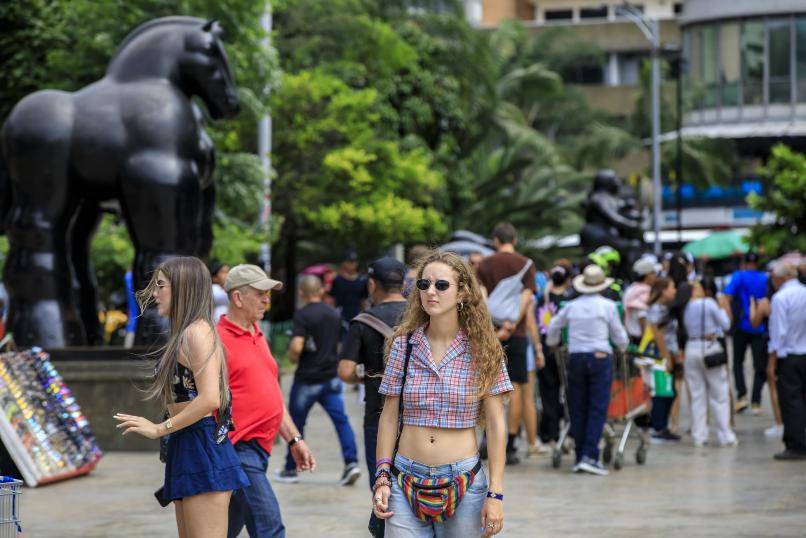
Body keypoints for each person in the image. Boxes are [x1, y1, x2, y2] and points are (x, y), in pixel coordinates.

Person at [372, 250, 512, 536]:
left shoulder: (484, 349)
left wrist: (496, 494)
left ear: (462, 292)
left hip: (464, 481)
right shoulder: (403, 345)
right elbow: (388, 416)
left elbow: (496, 424)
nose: (430, 292)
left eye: (442, 285)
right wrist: (382, 476)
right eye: (424, 284)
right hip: (403, 478)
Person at [114, 256, 249, 538]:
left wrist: (158, 429)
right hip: (186, 442)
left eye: (160, 286)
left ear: (183, 288)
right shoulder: (186, 333)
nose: (154, 293)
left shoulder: (197, 333)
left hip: (202, 444)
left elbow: (210, 399)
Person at [218, 264, 316, 537]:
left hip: (260, 450)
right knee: (270, 527)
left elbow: (271, 395)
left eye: (268, 294)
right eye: (260, 294)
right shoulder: (216, 340)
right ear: (238, 298)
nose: (267, 301)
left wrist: (294, 439)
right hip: (237, 449)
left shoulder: (257, 333)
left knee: (222, 530)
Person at [277, 275, 360, 485]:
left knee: (295, 424)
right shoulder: (333, 314)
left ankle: (291, 468)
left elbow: (297, 345)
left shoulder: (302, 315)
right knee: (341, 421)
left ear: (302, 293)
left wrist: (292, 357)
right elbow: (340, 345)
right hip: (331, 377)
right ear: (321, 291)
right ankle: (351, 463)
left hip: (307, 378)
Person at [547, 264, 628, 475]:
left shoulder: (571, 306)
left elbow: (554, 326)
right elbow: (619, 336)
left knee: (577, 407)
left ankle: (580, 455)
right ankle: (590, 456)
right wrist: (623, 347)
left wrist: (553, 343)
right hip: (600, 358)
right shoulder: (608, 306)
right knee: (597, 408)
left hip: (575, 358)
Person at [338, 257, 408, 486]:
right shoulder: (422, 317)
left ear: (372, 285)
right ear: (403, 284)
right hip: (419, 415)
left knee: (382, 486)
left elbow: (345, 371)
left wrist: (366, 377)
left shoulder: (363, 322)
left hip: (378, 413)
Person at [476, 223, 541, 465]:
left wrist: (495, 327)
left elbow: (481, 298)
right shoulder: (526, 264)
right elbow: (526, 298)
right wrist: (512, 325)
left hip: (490, 333)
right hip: (518, 334)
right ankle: (511, 445)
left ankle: (487, 438)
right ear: (514, 239)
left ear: (496, 240)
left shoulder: (484, 264)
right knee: (515, 389)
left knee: (488, 386)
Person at [683, 280, 737, 448]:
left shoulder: (684, 306)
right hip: (709, 347)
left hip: (691, 347)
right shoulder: (708, 303)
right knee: (719, 394)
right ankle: (725, 435)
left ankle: (699, 435)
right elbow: (725, 325)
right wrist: (722, 307)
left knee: (697, 395)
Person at [766, 263, 806, 460]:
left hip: (789, 355)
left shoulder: (780, 297)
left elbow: (778, 332)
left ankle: (796, 444)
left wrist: (772, 361)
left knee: (791, 401)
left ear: (779, 278)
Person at [535, 262, 574, 452]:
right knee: (569, 394)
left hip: (545, 351)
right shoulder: (569, 301)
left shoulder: (543, 299)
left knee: (548, 394)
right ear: (568, 280)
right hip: (565, 352)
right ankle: (569, 433)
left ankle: (550, 435)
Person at [724, 252, 769, 414]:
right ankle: (756, 402)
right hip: (760, 327)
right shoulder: (764, 278)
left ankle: (741, 396)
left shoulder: (739, 276)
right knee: (759, 366)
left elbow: (727, 295)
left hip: (741, 325)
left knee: (738, 362)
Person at [646, 277, 683, 443]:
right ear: (663, 290)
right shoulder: (655, 310)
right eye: (672, 287)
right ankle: (658, 427)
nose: (674, 291)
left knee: (670, 391)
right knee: (662, 391)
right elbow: (658, 335)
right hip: (660, 356)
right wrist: (666, 357)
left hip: (670, 354)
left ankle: (663, 426)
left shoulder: (667, 308)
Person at [749, 282, 784, 438]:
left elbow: (754, 322)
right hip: (793, 346)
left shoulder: (766, 302)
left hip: (771, 345)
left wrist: (752, 306)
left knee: (773, 385)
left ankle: (779, 422)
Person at [329, 249, 368, 341]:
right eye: (349, 261)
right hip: (341, 314)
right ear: (344, 263)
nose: (352, 264)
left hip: (357, 313)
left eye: (354, 261)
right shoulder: (337, 280)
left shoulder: (362, 280)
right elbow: (332, 300)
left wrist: (365, 314)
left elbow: (364, 300)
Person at [623, 258, 660, 345]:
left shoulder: (631, 289)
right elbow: (642, 316)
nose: (655, 276)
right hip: (642, 340)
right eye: (653, 273)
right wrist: (645, 342)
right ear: (647, 275)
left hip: (631, 338)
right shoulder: (643, 291)